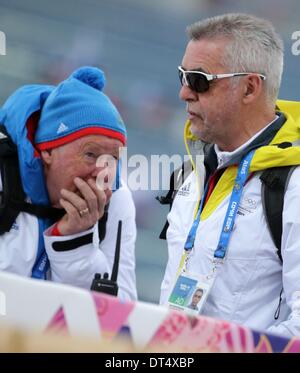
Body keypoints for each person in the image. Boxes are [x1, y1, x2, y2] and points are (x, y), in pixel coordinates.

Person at [160, 13, 300, 337]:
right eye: (182, 76)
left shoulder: (293, 186)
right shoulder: (192, 172)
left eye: (199, 80)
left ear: (249, 88)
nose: (184, 93)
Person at [0, 66, 137, 301]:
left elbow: (117, 318)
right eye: (91, 154)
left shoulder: (117, 198)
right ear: (47, 150)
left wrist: (74, 242)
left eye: (112, 158)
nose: (101, 171)